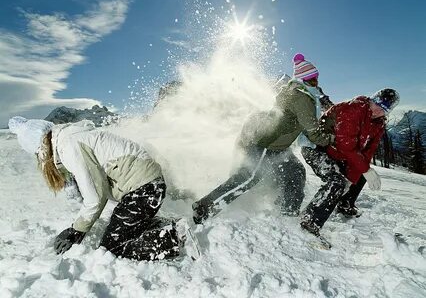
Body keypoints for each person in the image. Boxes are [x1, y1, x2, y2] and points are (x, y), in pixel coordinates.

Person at [8, 117, 181, 261]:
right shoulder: (71, 138)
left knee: (112, 249)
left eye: (37, 154)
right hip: (148, 187)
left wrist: (76, 230)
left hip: (143, 189)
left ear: (41, 148)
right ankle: (174, 225)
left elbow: (95, 196)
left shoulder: (68, 146)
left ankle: (177, 238)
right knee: (125, 228)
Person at [192, 53, 334, 223]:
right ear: (303, 80)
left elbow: (300, 124)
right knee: (247, 179)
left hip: (279, 147)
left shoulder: (295, 92)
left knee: (295, 172)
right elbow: (313, 132)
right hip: (266, 144)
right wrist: (330, 139)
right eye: (312, 80)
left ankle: (287, 213)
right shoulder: (301, 98)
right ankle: (204, 207)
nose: (316, 83)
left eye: (316, 79)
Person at [300, 88, 400, 236]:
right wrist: (350, 178)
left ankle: (345, 204)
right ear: (371, 100)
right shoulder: (353, 109)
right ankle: (310, 221)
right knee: (337, 181)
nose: (378, 111)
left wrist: (355, 177)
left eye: (384, 109)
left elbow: (367, 153)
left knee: (361, 173)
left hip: (338, 153)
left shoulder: (378, 123)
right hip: (317, 148)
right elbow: (345, 145)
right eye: (377, 105)